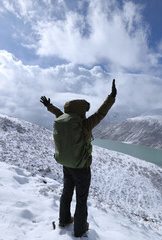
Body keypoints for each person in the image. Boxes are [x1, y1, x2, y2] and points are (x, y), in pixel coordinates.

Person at [40, 79, 116, 237]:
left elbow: (58, 113)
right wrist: (111, 97)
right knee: (81, 200)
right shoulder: (84, 124)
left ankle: (64, 219)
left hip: (66, 165)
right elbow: (100, 113)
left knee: (66, 192)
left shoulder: (63, 120)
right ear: (81, 110)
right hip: (81, 168)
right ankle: (79, 230)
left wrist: (48, 106)